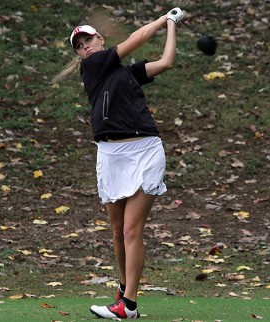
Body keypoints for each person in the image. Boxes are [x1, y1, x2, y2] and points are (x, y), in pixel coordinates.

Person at [53, 7, 184, 320]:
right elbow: (138, 38)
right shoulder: (94, 66)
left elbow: (166, 63)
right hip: (111, 155)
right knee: (116, 230)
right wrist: (165, 17)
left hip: (145, 150)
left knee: (130, 229)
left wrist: (170, 26)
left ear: (99, 39)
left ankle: (129, 304)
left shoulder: (123, 72)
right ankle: (124, 290)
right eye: (79, 46)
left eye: (88, 40)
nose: (84, 47)